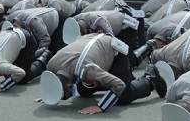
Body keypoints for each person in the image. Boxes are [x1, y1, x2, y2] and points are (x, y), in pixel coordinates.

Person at [38, 32, 166, 114]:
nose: (62, 98)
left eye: (64, 95)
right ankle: (114, 75)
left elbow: (118, 85)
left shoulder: (87, 71)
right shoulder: (52, 65)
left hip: (115, 51)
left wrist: (101, 106)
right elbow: (53, 81)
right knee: (84, 90)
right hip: (92, 41)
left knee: (123, 95)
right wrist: (49, 92)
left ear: (69, 86)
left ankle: (150, 78)